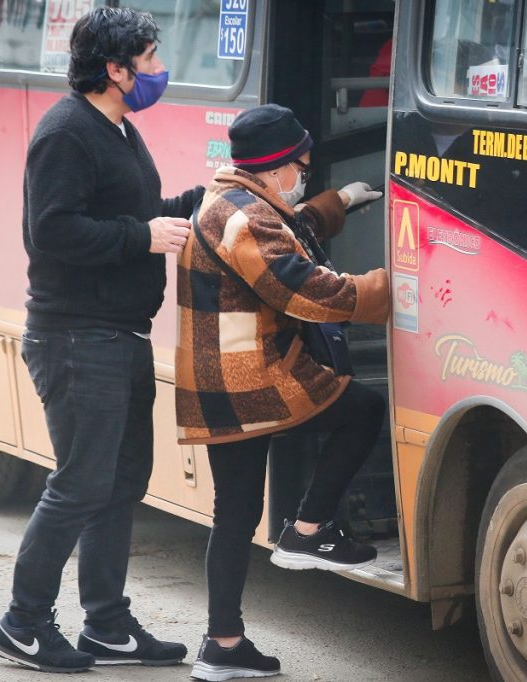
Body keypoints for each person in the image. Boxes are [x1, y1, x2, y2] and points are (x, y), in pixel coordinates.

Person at [0, 7, 203, 674]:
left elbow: (131, 217)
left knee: (119, 484)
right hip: (77, 339)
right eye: (149, 58)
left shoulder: (118, 129)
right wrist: (143, 237)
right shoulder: (66, 133)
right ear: (114, 70)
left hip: (118, 334)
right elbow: (51, 232)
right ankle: (22, 623)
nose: (158, 70)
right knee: (81, 485)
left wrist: (201, 201)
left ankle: (106, 625)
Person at [175, 104, 389, 681]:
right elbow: (299, 285)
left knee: (235, 514)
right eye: (301, 165)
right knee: (365, 409)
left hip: (218, 384)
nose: (305, 174)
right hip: (251, 381)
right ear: (274, 170)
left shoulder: (232, 201)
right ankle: (309, 530)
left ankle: (222, 646)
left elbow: (290, 229)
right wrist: (388, 291)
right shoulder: (247, 219)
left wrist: (338, 203)